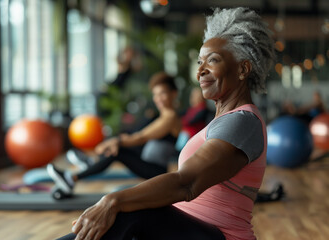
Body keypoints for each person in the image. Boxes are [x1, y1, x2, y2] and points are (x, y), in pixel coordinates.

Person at [55, 7, 275, 240]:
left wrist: (112, 201)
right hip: (186, 229)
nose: (200, 71)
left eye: (213, 60)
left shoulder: (243, 122)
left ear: (243, 69)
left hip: (221, 236)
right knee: (125, 212)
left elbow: (187, 184)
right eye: (200, 62)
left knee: (129, 209)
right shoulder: (223, 121)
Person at [48, 72, 182, 196]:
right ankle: (90, 163)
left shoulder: (170, 118)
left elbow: (142, 137)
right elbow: (139, 135)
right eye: (155, 94)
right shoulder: (163, 116)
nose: (158, 98)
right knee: (118, 145)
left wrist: (114, 142)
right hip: (148, 162)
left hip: (156, 171)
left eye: (162, 93)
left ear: (174, 93)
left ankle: (72, 177)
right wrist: (117, 141)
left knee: (117, 150)